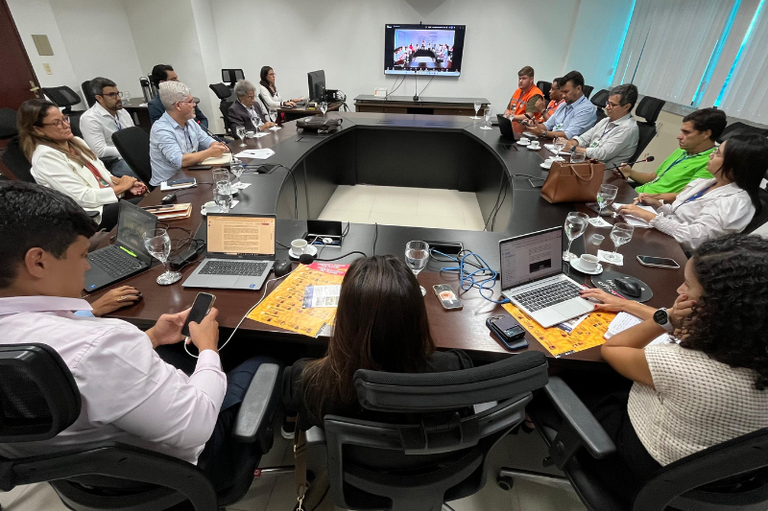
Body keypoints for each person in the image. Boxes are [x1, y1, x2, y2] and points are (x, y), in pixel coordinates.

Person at [0, 181, 272, 490]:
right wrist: (209, 349)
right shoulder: (102, 343)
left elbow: (83, 371)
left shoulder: (78, 345)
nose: (88, 266)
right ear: (38, 261)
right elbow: (196, 427)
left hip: (75, 476)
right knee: (264, 357)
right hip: (178, 473)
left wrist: (152, 337)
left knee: (177, 354)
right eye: (81, 255)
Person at [565, 234, 768, 500]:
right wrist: (628, 305)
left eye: (687, 286)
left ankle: (542, 419)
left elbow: (613, 349)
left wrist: (669, 317)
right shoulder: (749, 340)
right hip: (718, 483)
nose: (678, 292)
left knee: (574, 374)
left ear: (716, 309)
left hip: (639, 470)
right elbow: (684, 325)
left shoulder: (683, 366)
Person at [283, 255, 472, 431]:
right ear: (417, 317)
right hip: (437, 465)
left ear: (345, 318)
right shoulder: (456, 370)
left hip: (353, 465)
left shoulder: (307, 381)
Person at [617, 133, 767, 251]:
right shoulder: (706, 183)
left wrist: (648, 216)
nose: (711, 155)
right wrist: (658, 205)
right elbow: (680, 215)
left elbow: (696, 238)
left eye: (718, 154)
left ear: (735, 164)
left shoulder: (735, 201)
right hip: (664, 240)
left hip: (680, 254)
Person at [18, 99, 146, 231]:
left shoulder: (76, 142)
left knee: (151, 203)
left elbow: (103, 176)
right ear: (38, 130)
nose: (66, 125)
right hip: (90, 215)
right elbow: (82, 198)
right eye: (57, 123)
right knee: (144, 208)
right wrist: (123, 186)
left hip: (106, 201)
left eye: (64, 118)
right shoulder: (45, 157)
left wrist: (126, 184)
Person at [617, 108, 727, 194]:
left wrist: (650, 197)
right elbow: (654, 177)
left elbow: (685, 196)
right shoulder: (682, 150)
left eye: (686, 132)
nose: (679, 136)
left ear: (705, 134)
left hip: (653, 205)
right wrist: (630, 172)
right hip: (638, 193)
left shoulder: (709, 163)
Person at [149, 81, 228, 186]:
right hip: (168, 185)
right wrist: (210, 152)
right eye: (190, 101)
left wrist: (216, 145)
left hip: (189, 176)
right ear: (178, 105)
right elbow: (180, 161)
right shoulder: (161, 129)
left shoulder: (189, 121)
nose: (194, 104)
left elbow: (205, 140)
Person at [560, 84, 639, 169]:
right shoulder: (606, 120)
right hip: (588, 165)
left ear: (627, 107)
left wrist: (573, 148)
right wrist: (571, 143)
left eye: (612, 105)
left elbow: (602, 154)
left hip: (605, 174)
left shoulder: (628, 128)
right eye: (608, 103)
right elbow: (584, 138)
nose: (607, 107)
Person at [78, 77, 137, 178]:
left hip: (133, 155)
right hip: (113, 162)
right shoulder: (90, 118)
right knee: (147, 168)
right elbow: (99, 151)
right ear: (99, 98)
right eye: (112, 95)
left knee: (163, 160)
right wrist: (128, 151)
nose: (118, 98)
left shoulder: (122, 112)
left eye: (118, 93)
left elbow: (133, 135)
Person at [526, 70, 596, 139]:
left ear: (578, 89)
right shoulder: (563, 105)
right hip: (553, 142)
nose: (563, 96)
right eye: (562, 92)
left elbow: (569, 135)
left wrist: (543, 133)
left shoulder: (587, 109)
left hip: (568, 147)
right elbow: (548, 125)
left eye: (566, 92)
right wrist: (535, 125)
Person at [147, 64, 208, 129]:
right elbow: (160, 128)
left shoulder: (185, 97)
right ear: (162, 83)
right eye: (173, 79)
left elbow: (203, 119)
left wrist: (200, 134)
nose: (178, 81)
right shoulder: (155, 105)